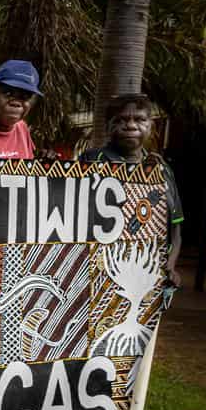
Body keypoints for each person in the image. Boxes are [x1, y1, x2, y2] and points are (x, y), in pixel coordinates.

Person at [81, 94, 183, 287]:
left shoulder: (161, 170)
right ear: (107, 126)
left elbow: (175, 226)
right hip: (98, 274)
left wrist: (170, 267)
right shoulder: (92, 161)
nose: (130, 125)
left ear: (151, 125)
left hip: (147, 275)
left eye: (139, 119)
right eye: (120, 120)